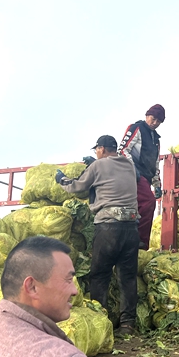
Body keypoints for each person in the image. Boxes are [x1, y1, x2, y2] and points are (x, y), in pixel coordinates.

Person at [57, 135, 140, 336]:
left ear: (102, 149)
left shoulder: (97, 167)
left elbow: (77, 187)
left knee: (100, 275)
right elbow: (116, 178)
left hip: (108, 228)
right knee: (127, 277)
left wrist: (61, 179)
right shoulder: (129, 165)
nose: (96, 153)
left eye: (97, 150)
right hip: (131, 228)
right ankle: (128, 325)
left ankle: (100, 321)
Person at [118, 104, 165, 249]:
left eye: (158, 121)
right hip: (133, 175)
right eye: (153, 118)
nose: (155, 122)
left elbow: (155, 163)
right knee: (148, 202)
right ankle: (140, 240)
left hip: (147, 177)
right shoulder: (136, 128)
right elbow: (123, 150)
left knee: (140, 207)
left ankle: (136, 240)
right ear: (147, 116)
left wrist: (157, 185)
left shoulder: (156, 140)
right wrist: (133, 169)